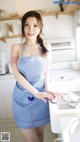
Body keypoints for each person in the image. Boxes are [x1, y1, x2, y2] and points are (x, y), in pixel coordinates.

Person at [11, 10, 62, 142]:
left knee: (40, 137)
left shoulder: (47, 47)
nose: (30, 29)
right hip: (22, 99)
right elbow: (17, 75)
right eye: (27, 25)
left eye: (35, 25)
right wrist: (36, 93)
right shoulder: (16, 47)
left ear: (40, 28)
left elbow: (46, 72)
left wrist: (48, 89)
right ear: (22, 26)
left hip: (41, 99)